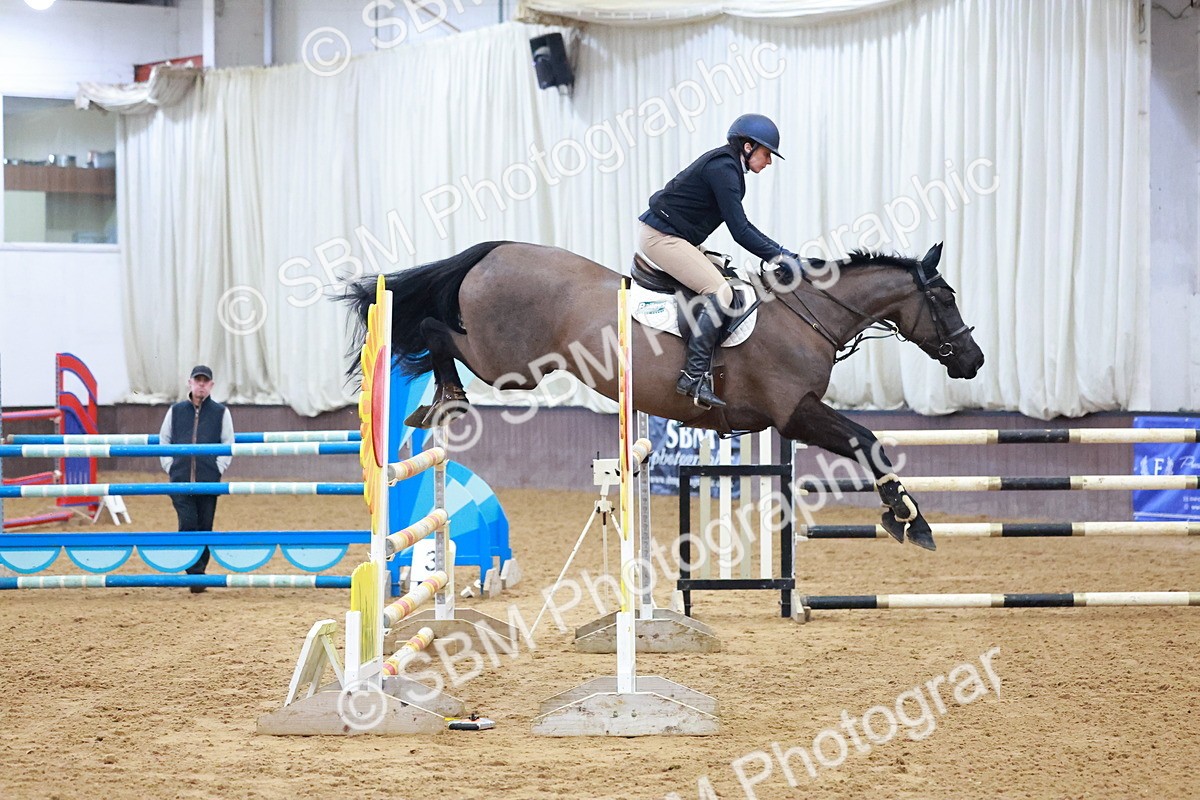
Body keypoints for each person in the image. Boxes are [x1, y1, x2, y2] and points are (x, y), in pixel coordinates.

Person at [637, 113, 800, 409]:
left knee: (729, 276)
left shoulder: (730, 169)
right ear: (748, 147)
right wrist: (781, 255)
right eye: (767, 154)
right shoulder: (724, 169)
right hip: (661, 237)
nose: (769, 162)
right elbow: (741, 231)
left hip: (678, 237)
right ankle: (694, 376)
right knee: (720, 292)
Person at [159, 365, 234, 593]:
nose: (201, 384)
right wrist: (170, 466)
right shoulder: (175, 411)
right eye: (197, 380)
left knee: (205, 526)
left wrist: (217, 467)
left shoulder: (221, 412)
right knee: (188, 523)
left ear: (211, 385)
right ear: (190, 383)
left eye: (205, 381)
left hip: (208, 480)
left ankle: (198, 573)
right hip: (180, 479)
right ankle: (195, 574)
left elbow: (227, 443)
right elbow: (165, 440)